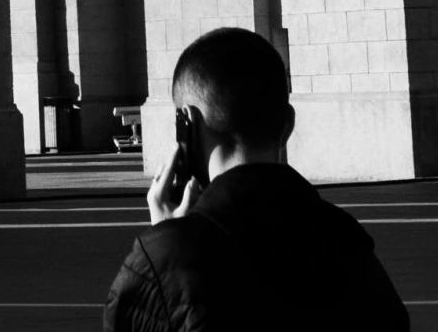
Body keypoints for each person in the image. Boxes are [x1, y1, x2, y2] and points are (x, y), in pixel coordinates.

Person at [104, 27, 409, 330]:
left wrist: (165, 247)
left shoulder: (168, 256)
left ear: (189, 126)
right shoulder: (348, 241)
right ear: (288, 124)